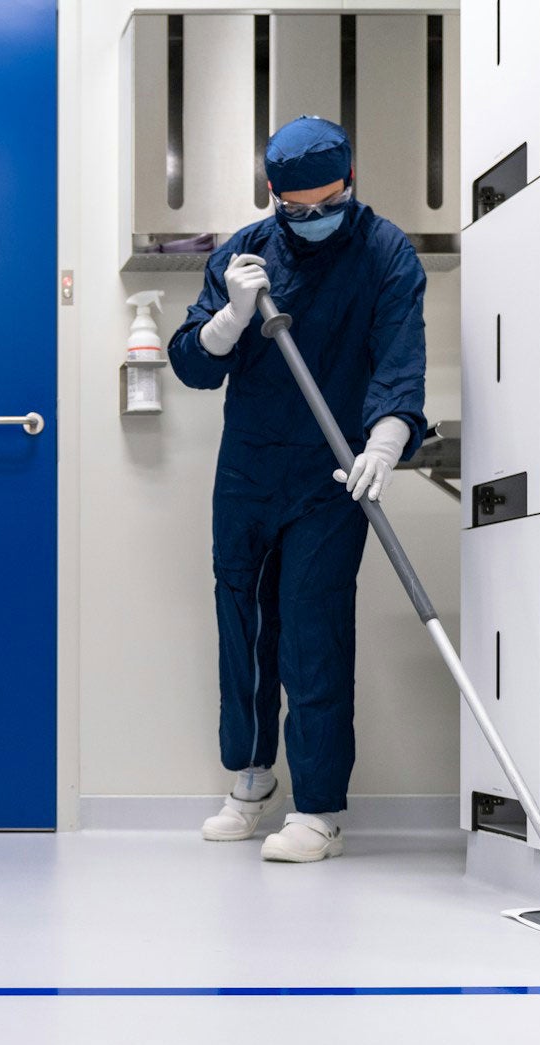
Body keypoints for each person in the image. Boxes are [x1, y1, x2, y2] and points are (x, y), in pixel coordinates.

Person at [168, 115, 429, 864]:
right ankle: (250, 783)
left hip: (331, 474)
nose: (313, 220)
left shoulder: (385, 254)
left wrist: (386, 439)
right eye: (297, 209)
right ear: (275, 196)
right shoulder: (242, 255)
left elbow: (399, 361)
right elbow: (192, 364)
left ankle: (317, 811)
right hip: (249, 469)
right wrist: (230, 316)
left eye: (327, 203)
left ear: (350, 182)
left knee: (312, 631)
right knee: (243, 625)